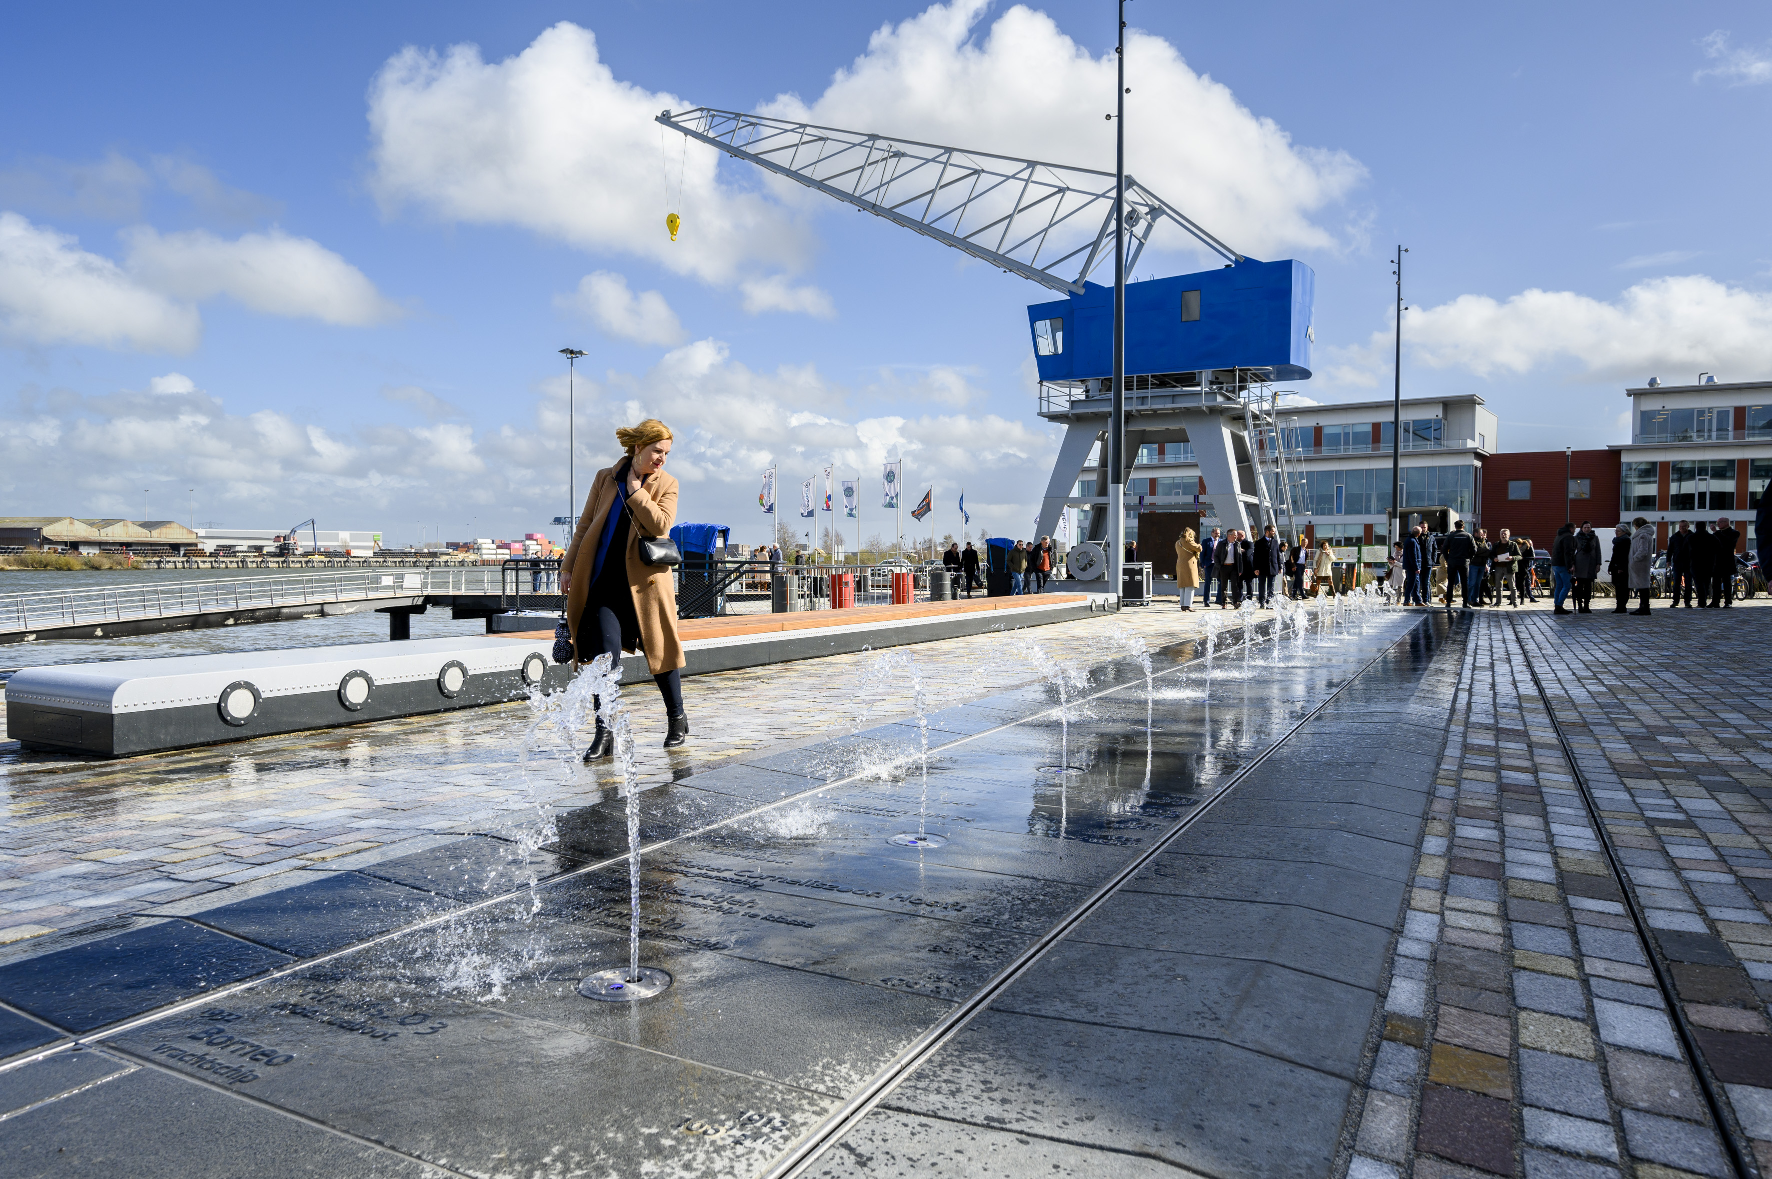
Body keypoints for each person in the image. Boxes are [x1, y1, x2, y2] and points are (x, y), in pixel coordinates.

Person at [561, 417, 688, 758]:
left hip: (645, 586)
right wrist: (568, 566)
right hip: (604, 584)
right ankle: (605, 733)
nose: (661, 458)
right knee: (603, 661)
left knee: (661, 654)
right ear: (638, 447)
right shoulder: (605, 478)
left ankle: (677, 718)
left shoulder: (667, 483)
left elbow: (661, 525)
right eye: (656, 451)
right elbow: (585, 525)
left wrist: (637, 493)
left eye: (666, 453)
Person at [1441, 521, 1478, 611]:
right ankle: (1465, 602)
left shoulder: (1451, 536)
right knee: (1465, 583)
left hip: (1452, 561)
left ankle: (1448, 602)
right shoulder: (1468, 536)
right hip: (1464, 561)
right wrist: (1468, 558)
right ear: (1463, 526)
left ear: (1455, 526)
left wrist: (1448, 559)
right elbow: (1474, 549)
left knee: (1450, 582)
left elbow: (1444, 549)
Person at [1571, 521, 1602, 614]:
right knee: (1579, 586)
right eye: (1585, 527)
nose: (1587, 529)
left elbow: (1598, 551)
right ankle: (1580, 605)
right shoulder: (1576, 538)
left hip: (1591, 564)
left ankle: (1587, 606)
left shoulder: (1595, 538)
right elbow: (1572, 552)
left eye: (1588, 527)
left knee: (1588, 587)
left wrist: (1598, 564)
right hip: (1579, 564)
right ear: (1581, 528)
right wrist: (1572, 564)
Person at [1628, 516, 1656, 614]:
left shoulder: (1642, 535)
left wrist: (1634, 558)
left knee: (1643, 586)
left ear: (1636, 525)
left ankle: (1644, 607)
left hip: (1640, 564)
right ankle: (1643, 606)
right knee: (1642, 585)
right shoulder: (1645, 534)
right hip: (1640, 564)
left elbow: (1643, 550)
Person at [1711, 517, 1740, 607]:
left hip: (1727, 561)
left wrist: (1716, 532)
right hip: (1717, 561)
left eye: (1720, 522)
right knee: (1715, 583)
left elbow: (1727, 543)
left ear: (1726, 523)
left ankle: (1728, 601)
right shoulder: (1717, 533)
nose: (1718, 524)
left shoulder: (1734, 533)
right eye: (1717, 522)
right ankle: (1715, 601)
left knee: (1726, 582)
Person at [1252, 524, 1283, 606]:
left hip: (1273, 567)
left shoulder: (1275, 542)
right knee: (1261, 585)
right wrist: (1256, 568)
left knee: (1271, 586)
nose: (1274, 533)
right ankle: (1262, 601)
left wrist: (1280, 567)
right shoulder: (1259, 542)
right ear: (1267, 531)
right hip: (1262, 568)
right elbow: (1256, 557)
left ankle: (1269, 602)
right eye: (1273, 531)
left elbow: (1277, 555)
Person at [1667, 520, 1696, 606]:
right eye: (1680, 527)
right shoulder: (1674, 537)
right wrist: (1668, 560)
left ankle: (1687, 601)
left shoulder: (1692, 536)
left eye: (1684, 526)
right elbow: (1670, 550)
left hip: (1689, 562)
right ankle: (1675, 601)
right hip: (1677, 562)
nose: (1682, 528)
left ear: (1688, 526)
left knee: (1688, 582)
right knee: (1676, 582)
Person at [1550, 523, 1576, 615]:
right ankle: (1559, 606)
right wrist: (1570, 566)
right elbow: (1568, 552)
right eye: (1574, 528)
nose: (1575, 530)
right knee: (1567, 585)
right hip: (1563, 565)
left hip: (1555, 564)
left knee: (1559, 585)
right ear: (1571, 528)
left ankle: (1557, 605)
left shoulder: (1558, 536)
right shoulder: (1568, 537)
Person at [1174, 527, 1201, 610]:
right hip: (1189, 565)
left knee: (1182, 585)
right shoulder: (1188, 541)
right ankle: (1188, 605)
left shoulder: (1177, 542)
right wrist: (1199, 544)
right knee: (1190, 585)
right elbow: (1199, 548)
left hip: (1180, 564)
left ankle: (1182, 604)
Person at [1490, 528, 1518, 607]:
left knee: (1512, 585)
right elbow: (1491, 554)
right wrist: (1493, 558)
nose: (1503, 535)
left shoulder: (1513, 544)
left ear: (1509, 535)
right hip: (1498, 567)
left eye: (1505, 534)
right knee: (1498, 586)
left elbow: (1519, 556)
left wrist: (1512, 558)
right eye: (1502, 534)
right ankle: (1498, 602)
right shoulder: (1496, 544)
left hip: (1509, 567)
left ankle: (1514, 602)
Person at [1609, 523, 1633, 614]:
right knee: (1618, 587)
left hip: (1622, 568)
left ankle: (1621, 606)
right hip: (1615, 566)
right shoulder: (1617, 541)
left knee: (1622, 587)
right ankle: (1619, 605)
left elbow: (1624, 556)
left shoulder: (1626, 541)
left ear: (1624, 532)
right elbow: (1614, 555)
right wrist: (1611, 566)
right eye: (1616, 531)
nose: (1616, 532)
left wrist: (1621, 567)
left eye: (1618, 531)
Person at [1400, 526, 1423, 605]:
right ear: (1419, 534)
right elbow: (1413, 556)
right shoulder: (1412, 541)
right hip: (1412, 567)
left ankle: (1418, 600)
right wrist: (1416, 567)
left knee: (1416, 583)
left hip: (1411, 566)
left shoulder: (1409, 540)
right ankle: (1406, 600)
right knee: (1411, 583)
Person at [1218, 528, 1241, 606]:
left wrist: (1240, 569)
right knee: (1224, 586)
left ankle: (1235, 602)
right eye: (1235, 535)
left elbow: (1239, 558)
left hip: (1233, 567)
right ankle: (1224, 602)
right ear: (1229, 535)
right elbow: (1216, 555)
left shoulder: (1237, 544)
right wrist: (1219, 566)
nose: (1236, 536)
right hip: (1224, 567)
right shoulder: (1222, 543)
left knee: (1234, 585)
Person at [1200, 527, 1222, 604]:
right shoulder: (1206, 541)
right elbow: (1202, 553)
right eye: (1216, 533)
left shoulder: (1221, 542)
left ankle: (1219, 599)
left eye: (1218, 533)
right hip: (1209, 564)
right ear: (1212, 533)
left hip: (1218, 565)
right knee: (1208, 583)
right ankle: (1206, 600)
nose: (1217, 535)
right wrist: (1203, 564)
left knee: (1221, 582)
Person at [1513, 534, 1538, 603]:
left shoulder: (1528, 547)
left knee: (1523, 583)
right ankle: (1514, 598)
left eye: (1518, 546)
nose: (1517, 547)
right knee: (1517, 583)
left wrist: (1523, 558)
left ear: (1521, 544)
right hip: (1517, 567)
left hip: (1525, 567)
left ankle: (1522, 599)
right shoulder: (1516, 548)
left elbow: (1532, 557)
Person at [1286, 534, 1308, 599]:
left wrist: (1304, 565)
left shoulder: (1306, 550)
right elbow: (1291, 557)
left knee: (1296, 580)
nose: (1305, 543)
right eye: (1304, 542)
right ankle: (1302, 594)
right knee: (1300, 580)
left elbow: (1305, 558)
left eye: (1306, 542)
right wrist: (1293, 565)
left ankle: (1293, 594)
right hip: (1297, 565)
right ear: (1301, 542)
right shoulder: (1296, 549)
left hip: (1302, 566)